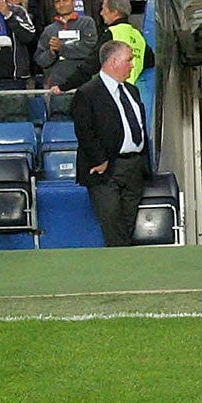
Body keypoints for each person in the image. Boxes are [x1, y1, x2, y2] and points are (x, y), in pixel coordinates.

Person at [73, 37, 150, 247]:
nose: (132, 65)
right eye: (129, 60)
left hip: (133, 168)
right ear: (113, 61)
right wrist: (100, 160)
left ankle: (122, 268)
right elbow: (84, 130)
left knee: (126, 226)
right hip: (106, 169)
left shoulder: (131, 91)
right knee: (113, 226)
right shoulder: (87, 92)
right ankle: (122, 271)